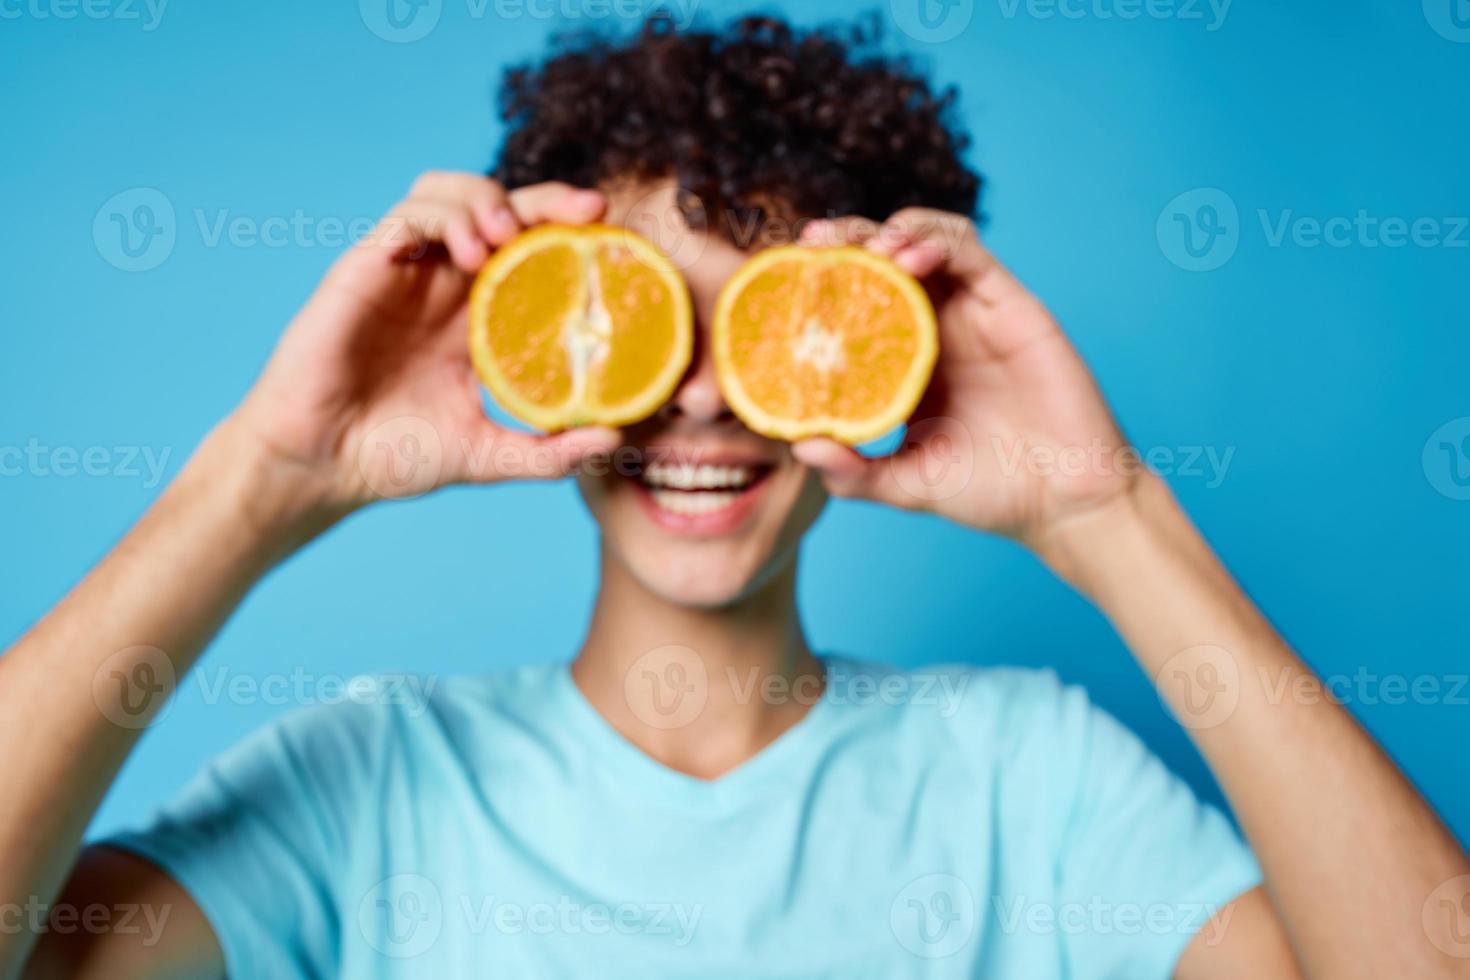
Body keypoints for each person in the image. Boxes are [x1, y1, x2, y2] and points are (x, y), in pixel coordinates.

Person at [4, 15, 1467, 980]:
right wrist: (257, 484)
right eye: (643, 326)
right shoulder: (374, 781)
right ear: (531, 338)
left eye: (764, 335)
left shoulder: (1031, 780)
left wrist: (1108, 519)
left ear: (879, 359)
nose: (697, 398)